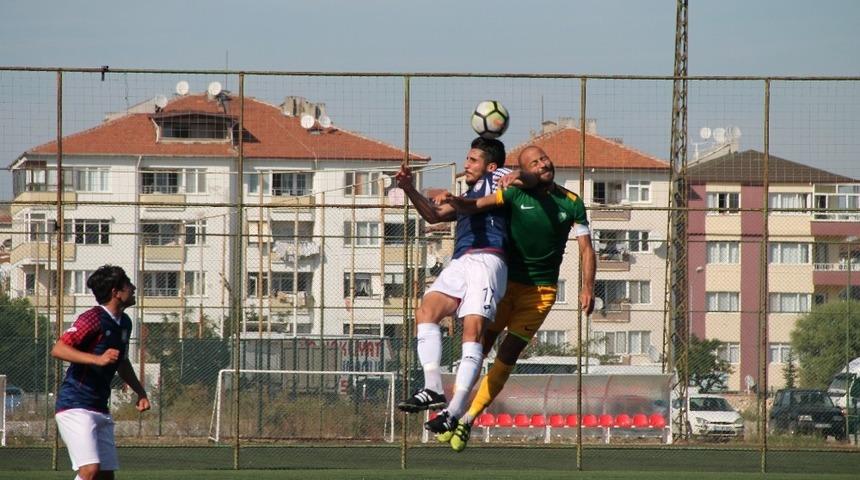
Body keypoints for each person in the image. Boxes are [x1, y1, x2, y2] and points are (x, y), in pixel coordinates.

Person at [437, 145, 596, 452]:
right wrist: (456, 201)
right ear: (525, 169)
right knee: (478, 347)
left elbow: (587, 248)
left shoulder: (572, 203)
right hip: (506, 283)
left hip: (541, 292)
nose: (543, 163)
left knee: (507, 356)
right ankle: (452, 412)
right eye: (534, 162)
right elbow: (476, 205)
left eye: (545, 159)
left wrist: (587, 286)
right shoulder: (514, 194)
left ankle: (468, 419)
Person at [395, 137, 520, 433]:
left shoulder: (498, 177)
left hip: (489, 260)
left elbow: (515, 179)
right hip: (461, 261)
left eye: (472, 160)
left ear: (490, 165)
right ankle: (433, 388)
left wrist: (516, 176)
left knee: (472, 331)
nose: (466, 164)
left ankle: (455, 410)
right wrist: (409, 188)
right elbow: (433, 215)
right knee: (426, 310)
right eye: (466, 159)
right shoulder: (469, 192)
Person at [52, 265, 150, 480]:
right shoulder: (92, 318)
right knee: (90, 471)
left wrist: (140, 392)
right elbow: (58, 349)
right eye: (128, 284)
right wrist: (98, 358)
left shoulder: (124, 322)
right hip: (75, 406)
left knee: (105, 475)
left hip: (99, 408)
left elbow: (121, 362)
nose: (133, 288)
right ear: (116, 292)